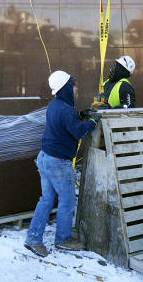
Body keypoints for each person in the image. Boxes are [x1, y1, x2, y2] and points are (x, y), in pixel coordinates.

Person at [24, 70, 100, 257]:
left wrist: (80, 114)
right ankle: (63, 239)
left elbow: (67, 123)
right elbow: (79, 132)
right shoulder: (66, 110)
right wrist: (92, 121)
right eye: (73, 85)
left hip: (45, 158)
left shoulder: (55, 105)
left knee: (47, 199)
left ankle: (33, 238)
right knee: (67, 201)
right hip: (58, 164)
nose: (76, 88)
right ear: (66, 88)